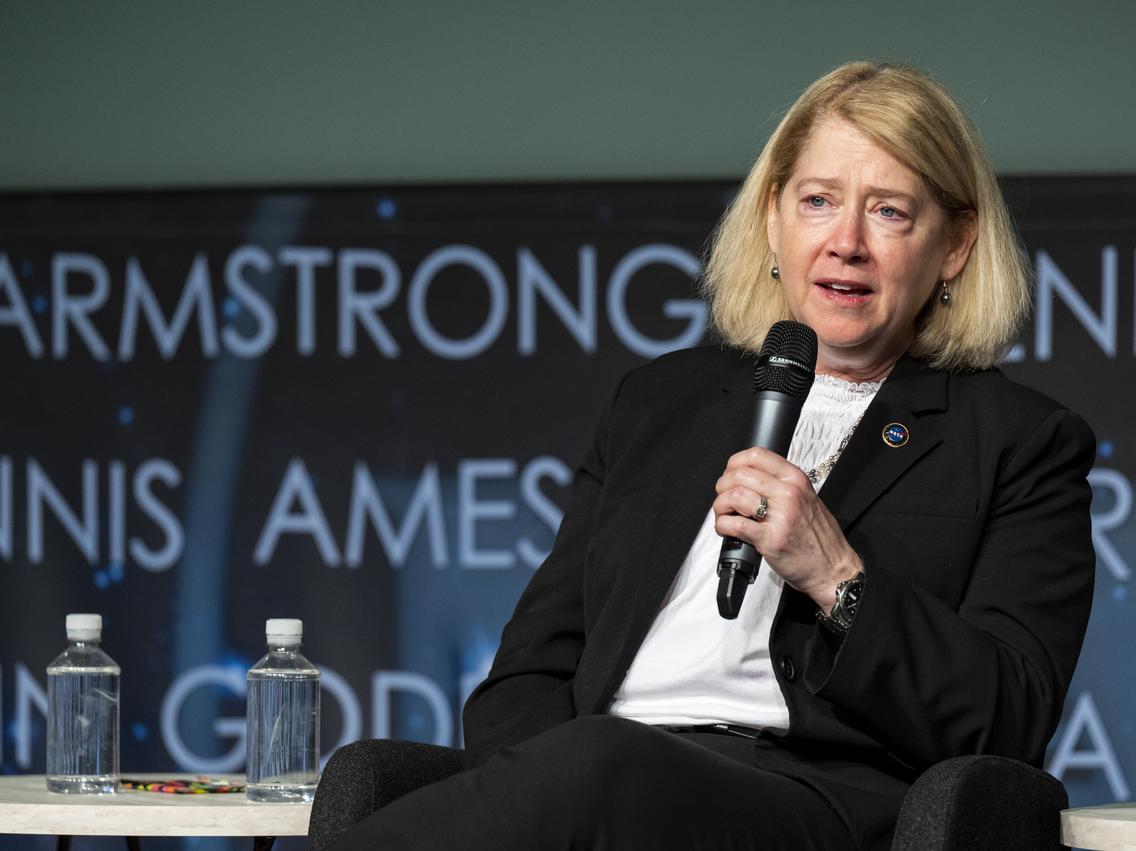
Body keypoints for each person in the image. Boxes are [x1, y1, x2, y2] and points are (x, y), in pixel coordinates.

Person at [327, 60, 1095, 851]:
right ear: (772, 219)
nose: (846, 243)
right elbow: (529, 669)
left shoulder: (1017, 440)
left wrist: (838, 577)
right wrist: (525, 785)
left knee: (601, 763)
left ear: (955, 245)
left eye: (890, 211)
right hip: (586, 788)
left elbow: (1011, 717)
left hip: (809, 797)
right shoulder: (660, 403)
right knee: (585, 764)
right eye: (818, 201)